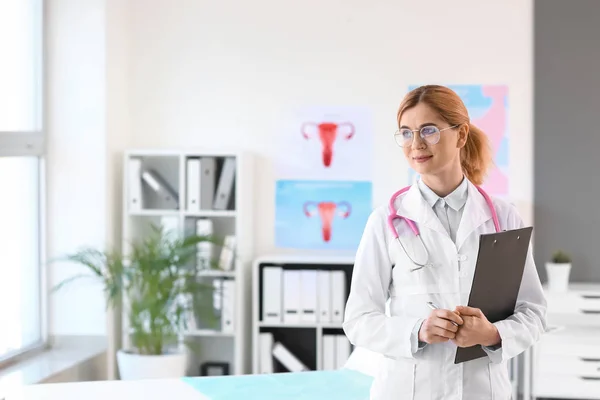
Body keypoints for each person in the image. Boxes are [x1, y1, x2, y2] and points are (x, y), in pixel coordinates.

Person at [342, 85, 547, 400]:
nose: (416, 144)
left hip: (482, 390)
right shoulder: (385, 221)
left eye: (429, 131)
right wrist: (417, 331)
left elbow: (532, 312)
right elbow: (358, 320)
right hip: (407, 390)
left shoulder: (504, 217)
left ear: (461, 135)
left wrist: (493, 334)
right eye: (406, 133)